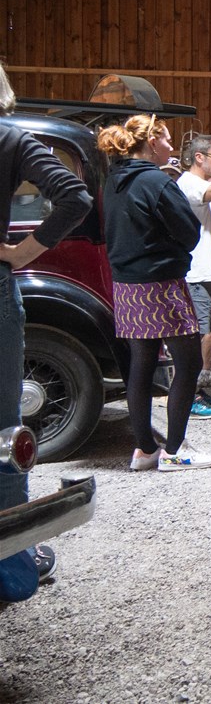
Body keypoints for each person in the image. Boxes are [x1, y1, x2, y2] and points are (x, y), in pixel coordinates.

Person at [0, 63, 92, 600]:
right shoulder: (10, 138)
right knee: (4, 429)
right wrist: (21, 253)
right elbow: (74, 197)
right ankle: (11, 567)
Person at [96, 114, 211, 472]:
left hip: (126, 284)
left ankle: (145, 449)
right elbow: (189, 231)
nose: (171, 145)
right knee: (189, 362)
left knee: (141, 364)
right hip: (161, 284)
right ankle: (175, 451)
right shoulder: (157, 181)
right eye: (166, 139)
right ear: (152, 143)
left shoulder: (114, 179)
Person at [178, 134, 211, 414]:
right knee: (199, 334)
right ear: (199, 157)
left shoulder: (201, 184)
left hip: (208, 271)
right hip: (196, 274)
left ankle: (197, 390)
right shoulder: (189, 183)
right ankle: (188, 397)